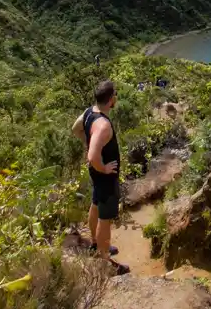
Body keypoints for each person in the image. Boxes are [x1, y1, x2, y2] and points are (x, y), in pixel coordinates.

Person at [72, 80, 129, 275]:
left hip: (95, 174)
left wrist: (89, 145)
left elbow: (75, 129)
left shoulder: (89, 112)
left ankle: (96, 245)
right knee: (106, 220)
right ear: (111, 99)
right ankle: (105, 263)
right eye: (116, 95)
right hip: (105, 177)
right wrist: (103, 168)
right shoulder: (103, 125)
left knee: (95, 204)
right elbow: (92, 156)